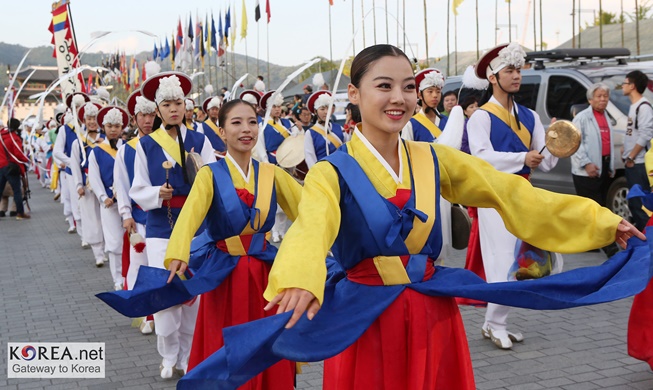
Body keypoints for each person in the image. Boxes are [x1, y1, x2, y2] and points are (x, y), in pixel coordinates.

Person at [177, 44, 646, 390]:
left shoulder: (433, 158)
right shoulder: (329, 171)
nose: (398, 97)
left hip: (430, 311)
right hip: (364, 318)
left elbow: (514, 195)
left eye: (407, 86)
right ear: (355, 96)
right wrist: (299, 277)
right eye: (383, 86)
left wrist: (602, 221)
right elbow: (311, 225)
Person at [159, 99, 301, 386]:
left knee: (267, 343)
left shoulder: (273, 174)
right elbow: (189, 217)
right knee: (224, 341)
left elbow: (311, 213)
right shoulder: (209, 175)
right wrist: (177, 252)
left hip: (266, 277)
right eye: (236, 123)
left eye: (252, 122)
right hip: (225, 276)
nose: (246, 129)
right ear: (222, 132)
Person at [467, 42, 560, 349]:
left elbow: (544, 159)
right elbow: (480, 158)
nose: (517, 76)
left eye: (519, 70)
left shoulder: (530, 116)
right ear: (493, 77)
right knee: (504, 262)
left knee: (528, 260)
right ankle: (496, 324)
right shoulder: (480, 117)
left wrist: (556, 142)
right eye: (510, 70)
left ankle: (494, 323)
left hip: (522, 194)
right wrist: (522, 158)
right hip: (494, 197)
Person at [130, 71, 216, 379]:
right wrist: (157, 193)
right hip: (160, 226)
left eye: (178, 102)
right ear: (158, 109)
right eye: (167, 104)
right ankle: (168, 355)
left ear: (185, 105)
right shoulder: (146, 145)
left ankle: (189, 355)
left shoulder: (200, 139)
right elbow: (136, 187)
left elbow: (215, 178)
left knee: (193, 294)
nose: (174, 109)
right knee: (166, 294)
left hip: (197, 227)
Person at [114, 89, 156, 334]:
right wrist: (125, 214)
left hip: (163, 217)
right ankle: (144, 314)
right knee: (139, 266)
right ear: (135, 118)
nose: (148, 120)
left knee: (160, 267)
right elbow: (121, 184)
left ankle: (161, 313)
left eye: (151, 114)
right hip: (139, 218)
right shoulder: (126, 150)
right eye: (143, 115)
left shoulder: (165, 144)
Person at [571, 83, 619, 257]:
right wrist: (586, 163)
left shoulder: (606, 116)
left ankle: (591, 242)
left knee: (600, 206)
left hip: (603, 166)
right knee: (595, 207)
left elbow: (608, 143)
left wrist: (611, 165)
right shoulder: (582, 118)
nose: (602, 99)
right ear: (590, 99)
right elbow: (575, 144)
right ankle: (609, 246)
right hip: (586, 169)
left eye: (605, 96)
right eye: (598, 96)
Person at [89, 106, 129, 290]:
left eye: (116, 126)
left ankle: (131, 275)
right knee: (114, 242)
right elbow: (94, 178)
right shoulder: (96, 151)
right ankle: (117, 278)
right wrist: (103, 197)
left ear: (122, 128)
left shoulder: (128, 148)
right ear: (103, 127)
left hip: (128, 202)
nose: (113, 129)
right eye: (110, 126)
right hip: (109, 204)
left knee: (131, 239)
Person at [70, 102, 107, 267]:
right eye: (89, 118)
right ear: (84, 120)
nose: (92, 121)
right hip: (87, 186)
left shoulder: (106, 140)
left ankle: (108, 248)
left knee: (107, 219)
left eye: (94, 118)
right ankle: (98, 253)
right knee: (91, 219)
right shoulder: (78, 142)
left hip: (106, 185)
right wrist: (78, 184)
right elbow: (75, 165)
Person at [53, 92, 89, 236]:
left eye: (82, 107)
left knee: (91, 206)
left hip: (90, 172)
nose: (80, 109)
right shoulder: (65, 129)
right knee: (77, 205)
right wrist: (72, 163)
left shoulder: (91, 128)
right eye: (77, 107)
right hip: (73, 173)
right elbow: (57, 152)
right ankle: (83, 235)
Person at [622, 70, 653, 231]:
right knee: (635, 204)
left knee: (641, 206)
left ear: (632, 86)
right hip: (633, 161)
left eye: (625, 82)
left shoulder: (643, 107)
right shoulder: (634, 106)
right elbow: (632, 133)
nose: (623, 86)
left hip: (639, 163)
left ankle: (648, 242)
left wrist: (631, 157)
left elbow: (646, 134)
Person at [401, 68, 448, 142]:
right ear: (420, 95)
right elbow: (405, 151)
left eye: (438, 91)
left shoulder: (447, 121)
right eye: (430, 91)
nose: (435, 95)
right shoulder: (411, 124)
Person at [304, 91, 345, 169]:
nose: (326, 112)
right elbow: (310, 157)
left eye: (328, 108)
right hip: (323, 172)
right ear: (315, 111)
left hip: (341, 169)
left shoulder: (340, 128)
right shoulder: (310, 133)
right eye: (322, 109)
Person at [0, 118, 30, 220]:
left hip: (0, 166)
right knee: (17, 191)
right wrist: (27, 159)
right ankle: (20, 213)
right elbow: (18, 154)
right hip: (11, 166)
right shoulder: (14, 138)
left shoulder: (1, 136)